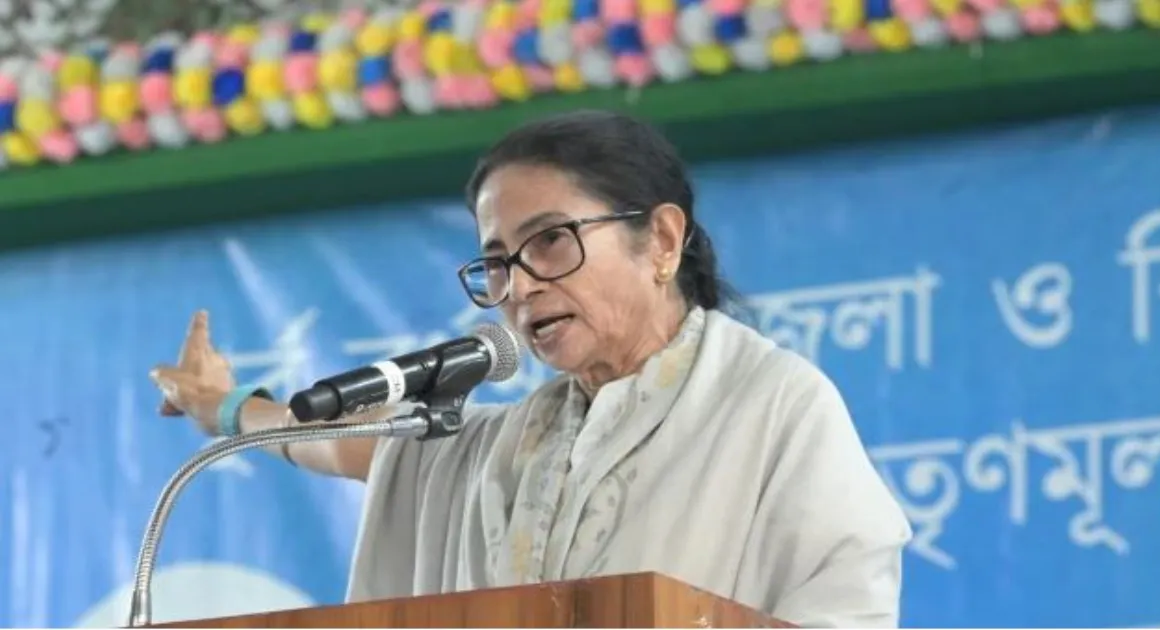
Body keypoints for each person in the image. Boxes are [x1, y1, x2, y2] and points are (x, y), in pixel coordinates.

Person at [151, 110, 913, 627]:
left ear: (661, 241)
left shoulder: (772, 406)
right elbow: (348, 442)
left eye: (550, 241)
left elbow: (846, 608)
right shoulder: (505, 447)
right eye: (498, 262)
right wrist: (222, 407)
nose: (520, 287)